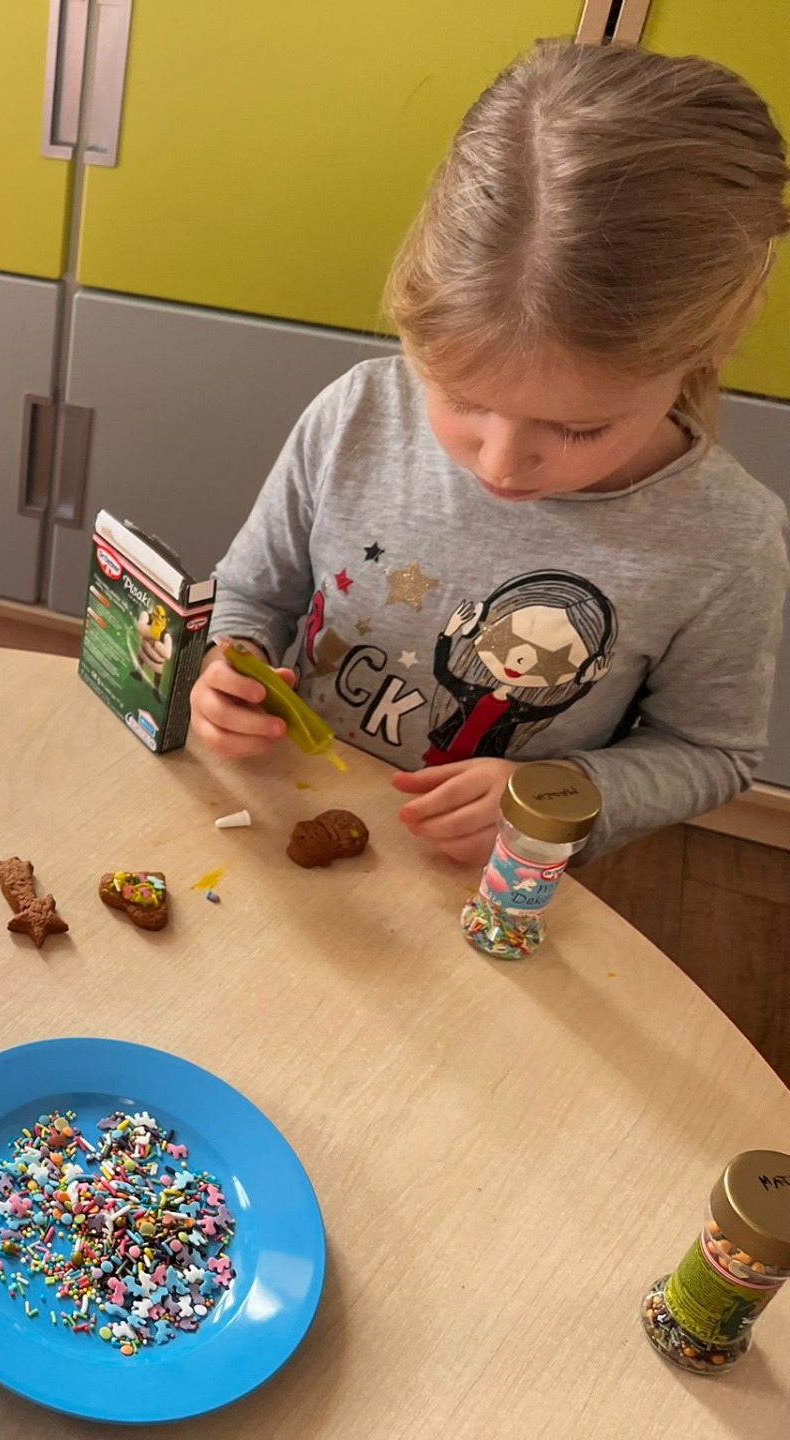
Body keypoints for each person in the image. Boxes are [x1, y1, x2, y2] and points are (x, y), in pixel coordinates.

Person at [193, 40, 790, 863]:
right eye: (462, 400)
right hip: (294, 820)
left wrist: (554, 794)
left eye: (579, 430)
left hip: (495, 882)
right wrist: (234, 662)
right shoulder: (358, 411)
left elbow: (709, 752)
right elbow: (252, 593)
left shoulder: (728, 541)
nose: (502, 465)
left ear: (712, 342)